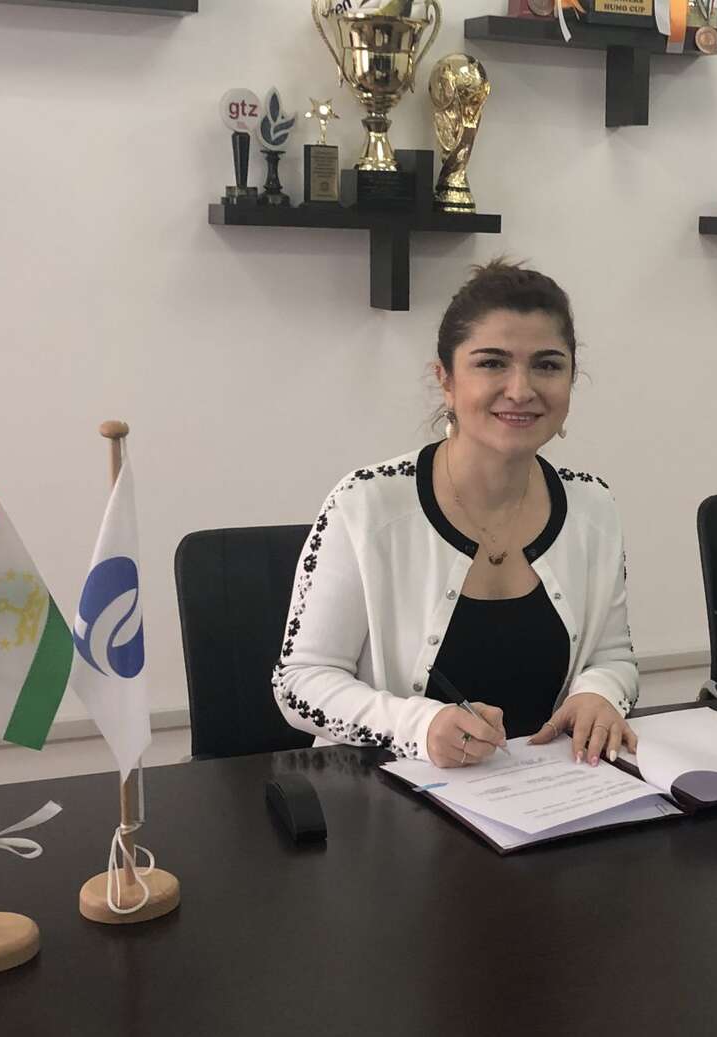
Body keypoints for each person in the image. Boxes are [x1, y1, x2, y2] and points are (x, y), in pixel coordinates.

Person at [273, 261, 639, 768]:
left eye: (548, 365)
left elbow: (613, 657)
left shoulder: (592, 506)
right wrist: (419, 727)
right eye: (491, 363)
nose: (521, 389)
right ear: (445, 380)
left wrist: (600, 693)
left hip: (553, 795)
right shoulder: (365, 503)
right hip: (388, 794)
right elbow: (299, 683)